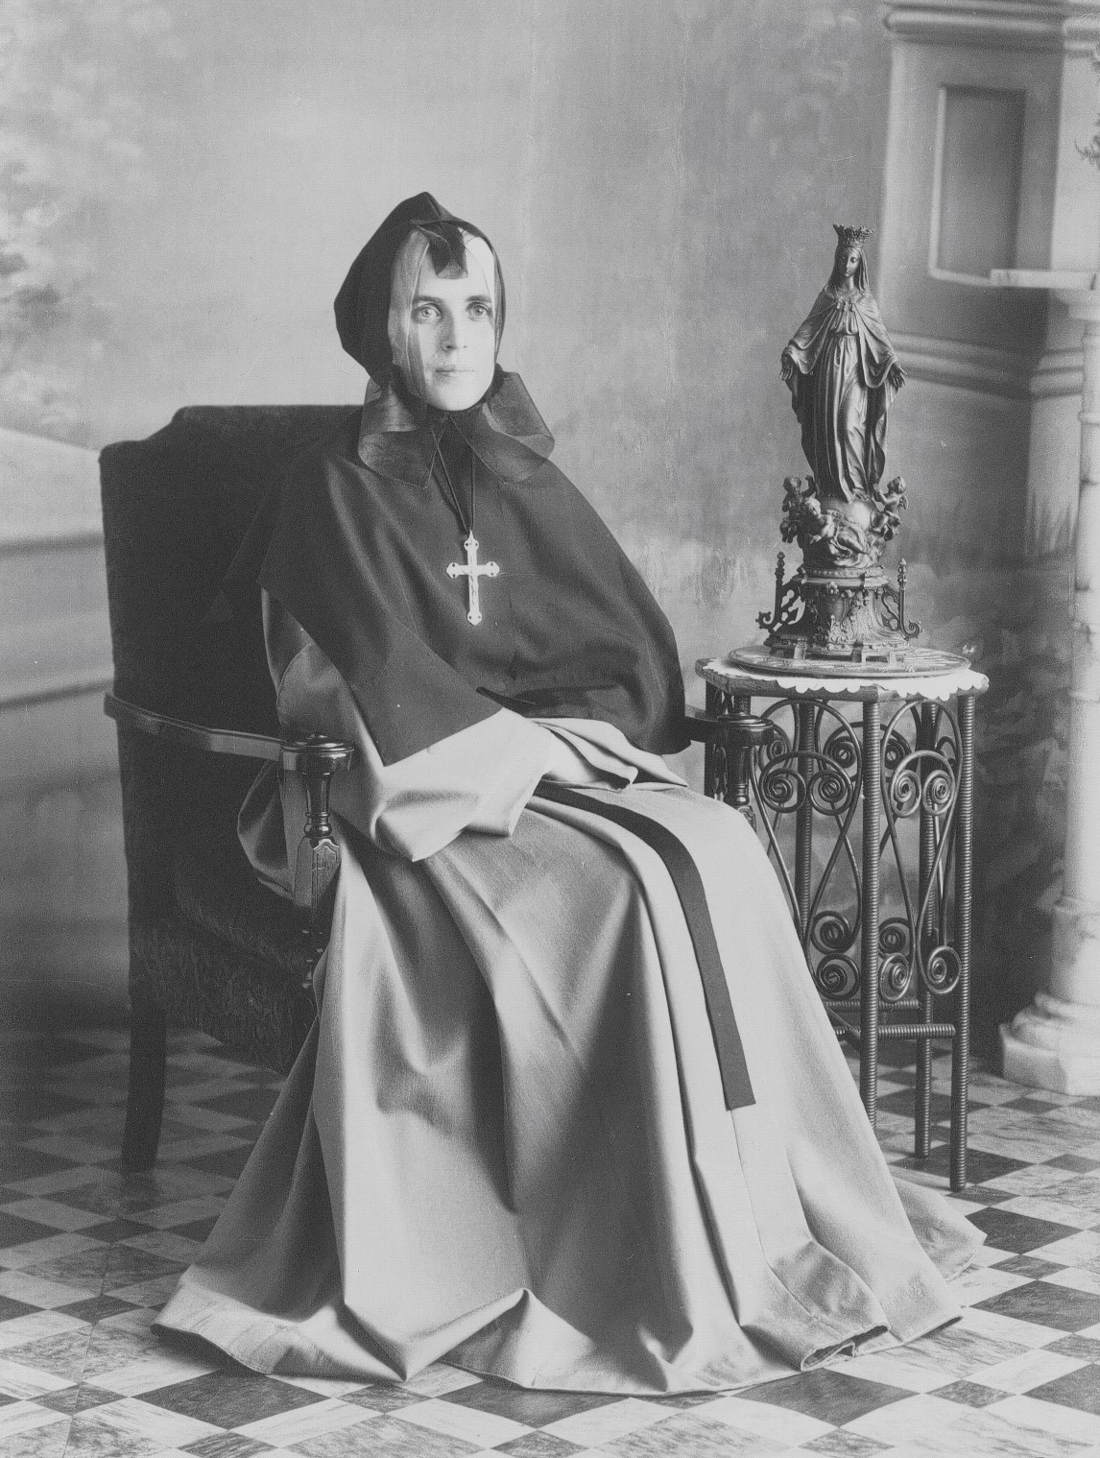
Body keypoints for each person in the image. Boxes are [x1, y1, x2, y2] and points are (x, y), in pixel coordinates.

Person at [156, 193, 979, 1395]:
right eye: (426, 311)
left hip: (541, 768)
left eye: (476, 309)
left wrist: (577, 739)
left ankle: (747, 1211)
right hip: (409, 807)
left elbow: (616, 655)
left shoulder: (517, 476)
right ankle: (628, 1244)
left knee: (714, 848)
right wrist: (513, 754)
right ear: (379, 331)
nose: (454, 338)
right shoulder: (326, 489)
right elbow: (336, 686)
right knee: (617, 902)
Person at [781, 225, 904, 507]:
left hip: (856, 372)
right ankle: (831, 489)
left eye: (853, 260)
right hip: (828, 370)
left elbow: (880, 340)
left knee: (850, 425)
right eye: (843, 258)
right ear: (836, 260)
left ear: (860, 265)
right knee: (828, 426)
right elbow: (808, 331)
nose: (846, 265)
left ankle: (856, 488)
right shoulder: (827, 298)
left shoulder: (865, 302)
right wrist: (791, 352)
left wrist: (892, 362)